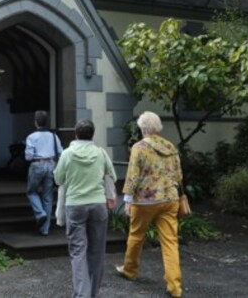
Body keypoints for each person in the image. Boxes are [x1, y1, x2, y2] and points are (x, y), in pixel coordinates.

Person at [116, 111, 183, 298]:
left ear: (143, 128)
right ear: (158, 127)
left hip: (145, 201)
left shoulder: (139, 147)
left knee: (136, 236)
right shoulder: (170, 146)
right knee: (170, 242)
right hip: (170, 199)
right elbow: (179, 176)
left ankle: (130, 270)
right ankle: (175, 287)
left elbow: (133, 175)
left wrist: (128, 199)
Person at [54, 119, 116, 298]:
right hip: (98, 205)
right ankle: (92, 293)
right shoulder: (101, 153)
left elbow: (58, 179)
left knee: (78, 252)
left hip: (75, 205)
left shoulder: (67, 154)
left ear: (75, 134)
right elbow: (112, 175)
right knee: (97, 252)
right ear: (93, 134)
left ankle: (82, 294)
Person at [25, 110, 63, 235]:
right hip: (51, 164)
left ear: (35, 122)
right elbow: (60, 152)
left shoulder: (32, 137)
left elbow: (28, 156)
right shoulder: (53, 136)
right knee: (48, 196)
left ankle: (40, 213)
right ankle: (45, 229)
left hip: (37, 164)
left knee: (32, 192)